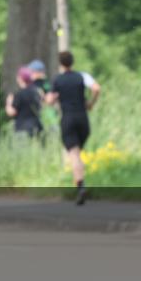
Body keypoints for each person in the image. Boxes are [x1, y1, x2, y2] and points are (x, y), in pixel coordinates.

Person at [46, 51, 101, 204]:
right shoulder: (82, 76)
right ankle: (79, 180)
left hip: (68, 119)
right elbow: (96, 89)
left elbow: (49, 100)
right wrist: (90, 103)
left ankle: (80, 186)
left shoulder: (58, 80)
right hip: (83, 119)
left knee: (74, 155)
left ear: (60, 63)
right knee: (77, 153)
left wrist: (53, 98)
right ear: (73, 62)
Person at [6, 67, 43, 138]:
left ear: (21, 78)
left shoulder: (19, 94)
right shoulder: (36, 92)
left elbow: (11, 112)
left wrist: (9, 102)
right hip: (37, 128)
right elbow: (41, 106)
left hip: (22, 129)